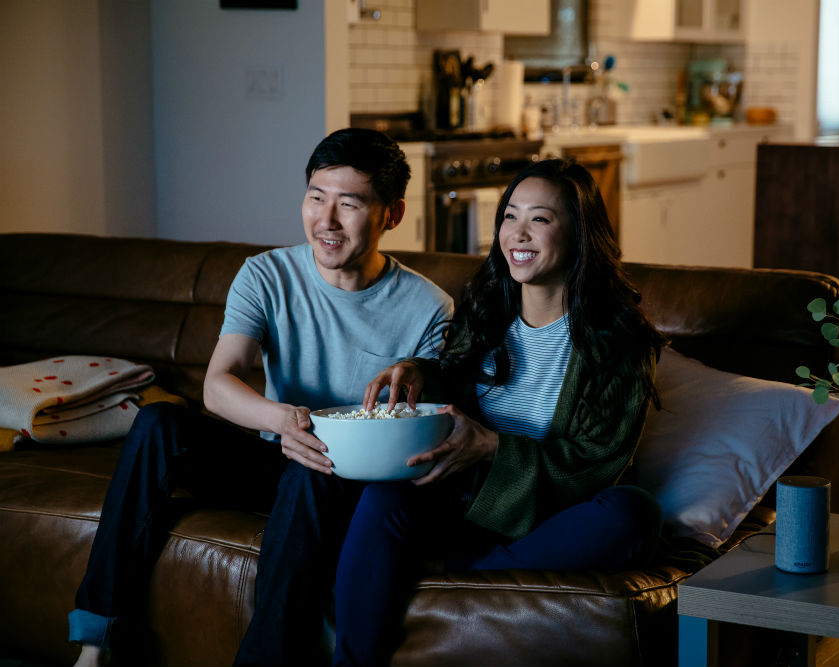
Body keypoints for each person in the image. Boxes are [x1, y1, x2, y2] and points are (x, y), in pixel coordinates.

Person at [68, 128, 454, 667]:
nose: (328, 220)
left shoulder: (429, 307)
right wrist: (284, 419)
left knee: (314, 466)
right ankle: (95, 643)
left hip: (348, 480)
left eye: (350, 204)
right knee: (159, 423)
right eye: (317, 197)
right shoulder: (267, 274)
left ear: (392, 214)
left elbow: (427, 423)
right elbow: (218, 383)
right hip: (273, 456)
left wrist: (402, 386)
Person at [333, 158, 667, 666]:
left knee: (633, 512)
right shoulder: (486, 309)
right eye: (510, 216)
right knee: (385, 495)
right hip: (468, 502)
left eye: (541, 219)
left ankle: (469, 576)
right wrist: (423, 371)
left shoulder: (618, 343)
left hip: (551, 520)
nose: (519, 233)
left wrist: (492, 446)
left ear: (579, 234)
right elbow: (455, 382)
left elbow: (595, 465)